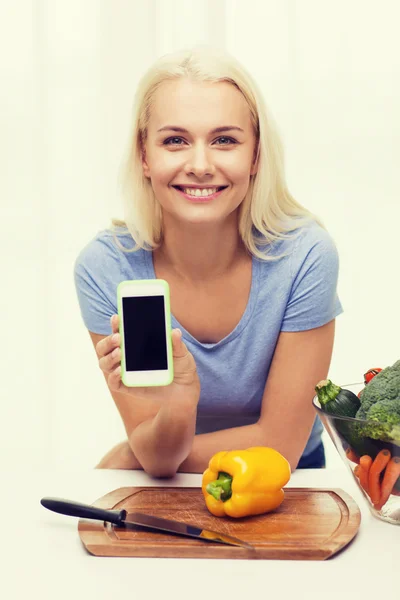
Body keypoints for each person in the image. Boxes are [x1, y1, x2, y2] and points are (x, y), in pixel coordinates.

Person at [74, 45, 343, 477]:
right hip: (166, 483)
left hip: (289, 482)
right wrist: (179, 401)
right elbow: (158, 456)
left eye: (225, 140)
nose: (200, 165)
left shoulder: (305, 256)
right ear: (145, 155)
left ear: (255, 156)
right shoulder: (107, 266)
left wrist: (132, 456)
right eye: (175, 141)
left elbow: (280, 448)